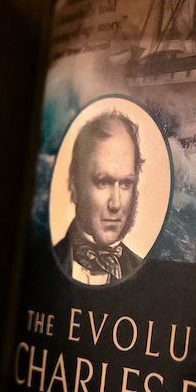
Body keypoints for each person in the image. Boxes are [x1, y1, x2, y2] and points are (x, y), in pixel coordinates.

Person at [54, 110, 145, 284]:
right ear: (74, 185)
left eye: (126, 183)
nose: (116, 204)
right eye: (103, 182)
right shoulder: (44, 260)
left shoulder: (143, 272)